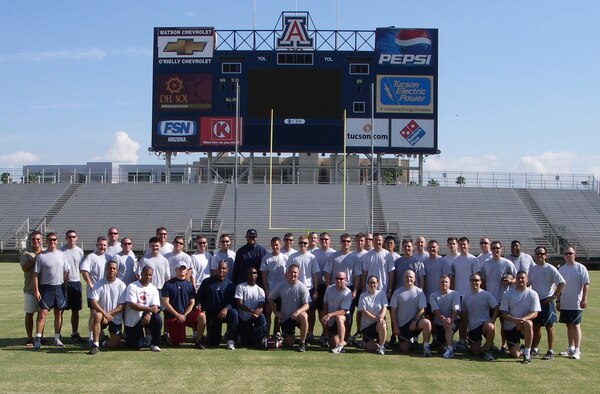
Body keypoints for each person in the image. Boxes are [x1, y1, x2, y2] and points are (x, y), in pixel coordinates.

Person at [32, 232, 68, 350]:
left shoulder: (62, 255)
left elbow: (65, 272)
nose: (52, 242)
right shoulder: (42, 256)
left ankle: (57, 338)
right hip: (46, 288)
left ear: (57, 241)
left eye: (54, 240)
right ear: (46, 241)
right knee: (42, 314)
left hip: (59, 287)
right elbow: (35, 275)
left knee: (58, 314)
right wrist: (36, 290)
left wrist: (65, 288)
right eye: (50, 240)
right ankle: (38, 339)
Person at [528, 246, 565, 360]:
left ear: (546, 255)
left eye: (542, 254)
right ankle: (535, 348)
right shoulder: (533, 269)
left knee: (549, 327)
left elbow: (561, 283)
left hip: (546, 301)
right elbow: (528, 283)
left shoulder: (550, 268)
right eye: (538, 254)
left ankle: (550, 351)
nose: (540, 256)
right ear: (535, 255)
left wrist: (554, 296)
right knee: (536, 326)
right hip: (536, 302)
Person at [480, 240, 516, 350]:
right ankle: (490, 343)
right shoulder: (486, 263)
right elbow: (483, 281)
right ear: (490, 249)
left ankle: (504, 345)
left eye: (498, 248)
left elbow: (516, 278)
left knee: (504, 324)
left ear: (501, 249)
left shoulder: (508, 263)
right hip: (491, 299)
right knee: (490, 323)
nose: (496, 250)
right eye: (494, 248)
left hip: (504, 298)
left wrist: (510, 281)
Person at [500, 271, 541, 364]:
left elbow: (535, 313)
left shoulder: (533, 294)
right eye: (518, 278)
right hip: (510, 327)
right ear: (515, 280)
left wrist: (523, 319)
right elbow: (504, 313)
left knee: (528, 323)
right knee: (515, 355)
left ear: (527, 280)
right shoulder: (508, 294)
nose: (520, 280)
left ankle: (527, 353)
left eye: (523, 278)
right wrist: (515, 320)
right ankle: (521, 348)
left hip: (524, 325)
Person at [324, 234, 360, 338]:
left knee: (348, 314)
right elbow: (327, 272)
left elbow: (357, 275)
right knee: (331, 311)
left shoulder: (354, 257)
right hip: (334, 287)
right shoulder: (334, 256)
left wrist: (355, 291)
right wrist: (327, 286)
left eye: (348, 241)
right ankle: (329, 333)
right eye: (344, 241)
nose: (346, 243)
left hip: (348, 288)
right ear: (340, 242)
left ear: (351, 243)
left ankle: (346, 337)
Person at [268, 264, 311, 352]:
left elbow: (307, 305)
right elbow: (270, 298)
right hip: (286, 318)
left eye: (295, 272)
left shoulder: (302, 287)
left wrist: (298, 312)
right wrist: (276, 313)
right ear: (287, 273)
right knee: (288, 343)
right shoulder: (281, 285)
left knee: (304, 315)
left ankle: (302, 343)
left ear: (298, 274)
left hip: (297, 317)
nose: (293, 274)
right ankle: (293, 339)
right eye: (291, 272)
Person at [196, 260, 238, 349]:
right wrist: (199, 305)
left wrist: (226, 308)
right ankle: (211, 336)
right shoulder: (207, 282)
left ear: (227, 270)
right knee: (213, 343)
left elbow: (231, 301)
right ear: (216, 268)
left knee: (234, 313)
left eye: (223, 268)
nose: (221, 270)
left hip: (225, 314)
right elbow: (199, 297)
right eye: (219, 268)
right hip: (212, 314)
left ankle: (231, 339)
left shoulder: (230, 285)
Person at [161, 262, 205, 347]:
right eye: (180, 268)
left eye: (184, 269)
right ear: (176, 270)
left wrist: (184, 314)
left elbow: (192, 303)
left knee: (202, 316)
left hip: (186, 315)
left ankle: (198, 340)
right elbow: (165, 302)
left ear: (187, 271)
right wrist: (177, 315)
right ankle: (168, 336)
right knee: (176, 343)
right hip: (173, 316)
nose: (182, 270)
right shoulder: (168, 284)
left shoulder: (189, 285)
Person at [389, 270, 432, 356]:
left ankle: (426, 347)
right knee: (404, 349)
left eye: (411, 277)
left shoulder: (419, 292)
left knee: (427, 323)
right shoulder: (397, 292)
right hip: (402, 326)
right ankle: (411, 341)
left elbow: (422, 309)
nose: (409, 278)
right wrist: (395, 327)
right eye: (407, 277)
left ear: (414, 279)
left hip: (415, 323)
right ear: (403, 279)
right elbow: (393, 311)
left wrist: (415, 321)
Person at [557, 246, 589, 360]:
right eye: (566, 254)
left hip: (576, 302)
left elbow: (585, 284)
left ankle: (577, 349)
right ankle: (570, 347)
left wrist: (584, 299)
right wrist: (558, 300)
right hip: (565, 302)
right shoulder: (562, 269)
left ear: (574, 255)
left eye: (570, 253)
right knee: (568, 325)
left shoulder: (581, 268)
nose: (568, 255)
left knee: (576, 325)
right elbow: (559, 286)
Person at [88, 260, 126, 354]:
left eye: (114, 268)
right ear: (106, 269)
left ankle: (103, 342)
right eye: (110, 268)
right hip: (103, 316)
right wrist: (105, 314)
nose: (112, 270)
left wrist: (109, 314)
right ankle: (95, 344)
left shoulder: (122, 285)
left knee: (114, 345)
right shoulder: (99, 283)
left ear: (117, 271)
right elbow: (93, 302)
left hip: (115, 317)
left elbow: (122, 306)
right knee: (97, 315)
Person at [450, 236, 480, 350]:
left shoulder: (474, 259)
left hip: (471, 294)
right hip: (459, 294)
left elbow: (477, 277)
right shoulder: (455, 261)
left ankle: (472, 340)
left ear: (468, 245)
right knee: (462, 318)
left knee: (471, 319)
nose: (463, 246)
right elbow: (453, 278)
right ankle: (462, 340)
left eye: (465, 244)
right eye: (461, 244)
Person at [286, 235, 319, 340]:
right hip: (295, 288)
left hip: (309, 288)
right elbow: (287, 273)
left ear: (308, 244)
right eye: (301, 243)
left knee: (310, 312)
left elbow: (314, 275)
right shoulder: (293, 257)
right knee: (294, 311)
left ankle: (309, 333)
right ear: (298, 243)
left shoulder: (312, 257)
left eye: (305, 243)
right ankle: (291, 333)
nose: (303, 245)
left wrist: (316, 290)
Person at [123, 266, 162, 352]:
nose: (148, 277)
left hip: (146, 316)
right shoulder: (132, 286)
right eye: (146, 274)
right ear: (141, 274)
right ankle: (128, 337)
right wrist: (149, 309)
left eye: (150, 275)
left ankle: (154, 344)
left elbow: (155, 306)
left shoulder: (153, 289)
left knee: (157, 319)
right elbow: (132, 305)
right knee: (136, 345)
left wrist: (149, 313)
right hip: (133, 320)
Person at [461, 273, 499, 361]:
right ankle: (488, 346)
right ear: (469, 282)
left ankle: (488, 351)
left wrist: (492, 320)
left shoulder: (486, 295)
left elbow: (496, 307)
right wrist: (465, 330)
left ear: (480, 282)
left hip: (484, 325)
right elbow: (464, 315)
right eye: (472, 280)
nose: (475, 282)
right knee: (475, 352)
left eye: (477, 280)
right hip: (473, 327)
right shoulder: (465, 297)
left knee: (490, 326)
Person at [80, 236, 110, 345]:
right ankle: (91, 336)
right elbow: (84, 271)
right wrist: (90, 284)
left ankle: (100, 334)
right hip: (94, 291)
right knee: (93, 314)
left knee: (103, 313)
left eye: (104, 245)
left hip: (106, 292)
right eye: (100, 245)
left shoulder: (109, 257)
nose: (102, 247)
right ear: (97, 245)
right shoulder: (91, 257)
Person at [310, 232, 336, 343]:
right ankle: (310, 333)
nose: (324, 241)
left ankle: (325, 333)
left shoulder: (333, 253)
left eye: (326, 239)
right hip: (315, 285)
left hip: (327, 286)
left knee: (323, 311)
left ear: (330, 240)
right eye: (322, 239)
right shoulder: (314, 252)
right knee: (311, 310)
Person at [60, 230, 85, 343]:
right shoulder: (61, 251)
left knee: (75, 310)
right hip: (62, 283)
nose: (71, 239)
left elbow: (81, 267)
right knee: (60, 310)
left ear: (76, 238)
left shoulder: (80, 251)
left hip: (75, 282)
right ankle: (58, 333)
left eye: (73, 237)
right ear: (66, 238)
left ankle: (74, 333)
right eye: (69, 237)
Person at [260, 237, 288, 335]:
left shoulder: (285, 258)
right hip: (271, 290)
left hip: (281, 292)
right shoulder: (266, 258)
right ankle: (266, 334)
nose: (275, 247)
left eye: (276, 245)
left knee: (279, 314)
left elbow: (287, 275)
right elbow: (263, 276)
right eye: (273, 245)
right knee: (268, 312)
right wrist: (266, 290)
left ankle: (276, 333)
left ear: (280, 245)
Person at [20, 231, 43, 347]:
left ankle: (40, 336)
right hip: (30, 288)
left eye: (38, 239)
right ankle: (29, 338)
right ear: (30, 240)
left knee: (42, 314)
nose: (36, 241)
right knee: (29, 313)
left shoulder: (46, 251)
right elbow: (25, 268)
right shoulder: (26, 253)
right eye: (34, 239)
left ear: (41, 240)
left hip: (44, 288)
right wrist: (37, 257)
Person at [429, 275, 461, 359]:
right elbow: (435, 310)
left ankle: (450, 350)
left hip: (453, 322)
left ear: (449, 284)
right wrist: (443, 319)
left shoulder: (455, 294)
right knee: (441, 348)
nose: (444, 283)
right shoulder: (433, 295)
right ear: (438, 284)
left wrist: (451, 319)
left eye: (446, 282)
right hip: (439, 324)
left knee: (448, 326)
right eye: (442, 282)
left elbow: (456, 309)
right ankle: (452, 345)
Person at [235, 267, 267, 348]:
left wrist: (257, 312)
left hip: (254, 317)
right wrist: (251, 311)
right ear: (247, 275)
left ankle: (260, 341)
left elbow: (261, 304)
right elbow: (239, 304)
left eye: (254, 273)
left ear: (257, 275)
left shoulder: (260, 290)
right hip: (243, 319)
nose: (252, 275)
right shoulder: (240, 287)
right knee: (245, 343)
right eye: (250, 273)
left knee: (262, 316)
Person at [321, 272, 352, 354]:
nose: (339, 280)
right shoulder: (329, 289)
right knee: (333, 344)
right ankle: (344, 342)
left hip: (344, 317)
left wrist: (329, 315)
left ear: (345, 280)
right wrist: (325, 316)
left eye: (341, 279)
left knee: (339, 317)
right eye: (337, 278)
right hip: (331, 319)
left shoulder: (347, 292)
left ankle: (341, 342)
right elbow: (325, 303)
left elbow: (343, 311)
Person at [357, 275, 388, 355]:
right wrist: (375, 318)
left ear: (377, 283)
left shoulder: (382, 293)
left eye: (374, 283)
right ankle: (369, 344)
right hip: (366, 326)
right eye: (370, 283)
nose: (372, 285)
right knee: (370, 348)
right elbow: (363, 311)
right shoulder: (363, 296)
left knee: (382, 324)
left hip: (378, 323)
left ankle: (381, 347)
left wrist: (381, 316)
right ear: (367, 284)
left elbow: (384, 306)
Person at [361, 233, 395, 300]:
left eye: (379, 240)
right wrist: (364, 288)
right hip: (369, 289)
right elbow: (364, 273)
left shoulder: (388, 255)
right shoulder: (367, 255)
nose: (377, 242)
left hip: (383, 289)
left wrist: (389, 289)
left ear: (382, 241)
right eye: (375, 240)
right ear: (373, 241)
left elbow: (391, 274)